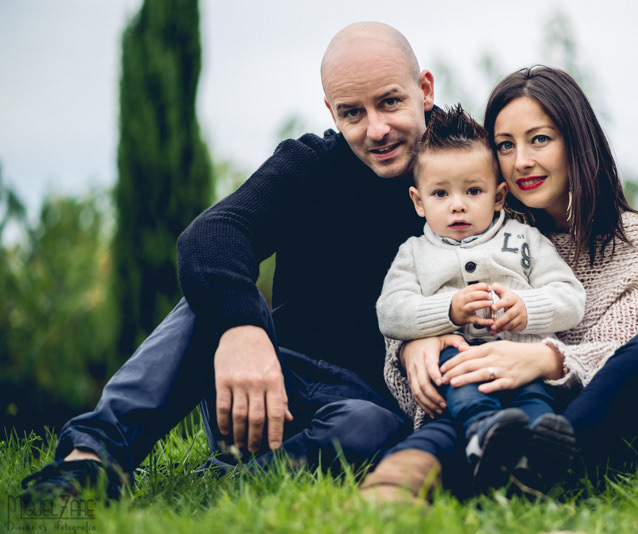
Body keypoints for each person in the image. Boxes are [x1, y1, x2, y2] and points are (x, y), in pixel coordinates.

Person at [20, 21, 436, 500]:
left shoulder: (467, 170)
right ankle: (89, 462)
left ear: (423, 90)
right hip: (268, 386)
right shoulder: (310, 165)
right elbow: (213, 234)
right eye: (352, 113)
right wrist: (244, 328)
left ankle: (223, 486)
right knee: (211, 296)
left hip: (370, 407)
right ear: (331, 111)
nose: (376, 129)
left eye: (389, 102)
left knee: (373, 426)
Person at [360, 66, 638, 502]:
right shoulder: (484, 228)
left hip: (588, 424)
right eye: (505, 146)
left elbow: (618, 358)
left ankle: (529, 469)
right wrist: (418, 341)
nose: (522, 162)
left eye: (540, 139)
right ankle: (416, 477)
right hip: (487, 407)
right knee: (472, 412)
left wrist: (543, 359)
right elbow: (407, 303)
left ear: (577, 142)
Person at [375, 105, 585, 490]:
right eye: (440, 193)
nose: (458, 204)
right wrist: (448, 310)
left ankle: (542, 449)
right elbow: (391, 312)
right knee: (464, 384)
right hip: (456, 362)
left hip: (521, 358)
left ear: (499, 195)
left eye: (473, 191)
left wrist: (527, 308)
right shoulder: (414, 254)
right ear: (418, 201)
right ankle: (484, 436)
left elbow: (571, 297)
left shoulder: (524, 240)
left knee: (536, 398)